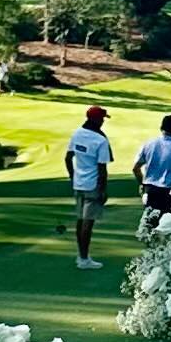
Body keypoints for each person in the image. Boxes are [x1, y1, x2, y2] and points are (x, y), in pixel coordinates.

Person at [65, 102, 114, 268]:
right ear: (97, 120)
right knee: (87, 223)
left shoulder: (77, 133)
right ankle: (84, 259)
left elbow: (68, 158)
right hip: (92, 185)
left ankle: (81, 256)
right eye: (102, 119)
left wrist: (73, 176)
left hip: (78, 183)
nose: (103, 122)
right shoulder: (100, 140)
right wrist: (103, 191)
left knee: (80, 220)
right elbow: (102, 169)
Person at [133, 113, 171, 224]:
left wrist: (142, 184)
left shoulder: (148, 145)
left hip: (151, 190)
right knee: (169, 226)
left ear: (161, 128)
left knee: (151, 224)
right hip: (169, 193)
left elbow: (136, 168)